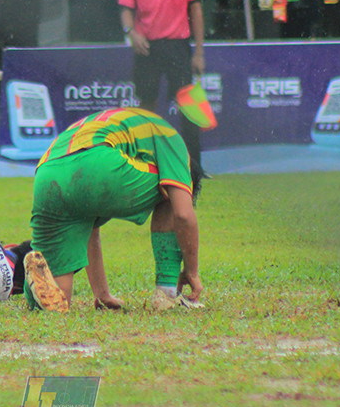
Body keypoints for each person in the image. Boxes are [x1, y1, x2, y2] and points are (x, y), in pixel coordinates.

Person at [23, 107, 204, 313]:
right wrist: (191, 271)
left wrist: (102, 294)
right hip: (99, 161)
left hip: (47, 172)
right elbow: (183, 214)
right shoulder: (173, 140)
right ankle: (167, 292)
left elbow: (91, 230)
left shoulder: (118, 120)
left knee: (58, 297)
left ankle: (37, 290)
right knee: (171, 189)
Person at [118, 0, 206, 175]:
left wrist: (199, 51)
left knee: (189, 108)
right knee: (146, 106)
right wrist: (131, 33)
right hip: (147, 49)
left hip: (179, 46)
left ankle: (195, 168)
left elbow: (197, 11)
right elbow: (125, 10)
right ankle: (144, 164)